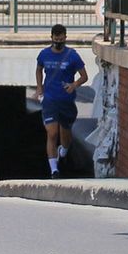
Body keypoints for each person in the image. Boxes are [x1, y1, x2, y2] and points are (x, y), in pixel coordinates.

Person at [35, 24, 88, 176]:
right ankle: (54, 169)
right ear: (51, 38)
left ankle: (63, 150)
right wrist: (39, 87)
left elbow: (84, 76)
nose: (58, 41)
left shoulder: (72, 56)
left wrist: (74, 85)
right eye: (56, 38)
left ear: (65, 37)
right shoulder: (44, 54)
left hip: (66, 101)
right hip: (50, 100)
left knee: (65, 135)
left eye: (61, 38)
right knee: (52, 134)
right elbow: (38, 69)